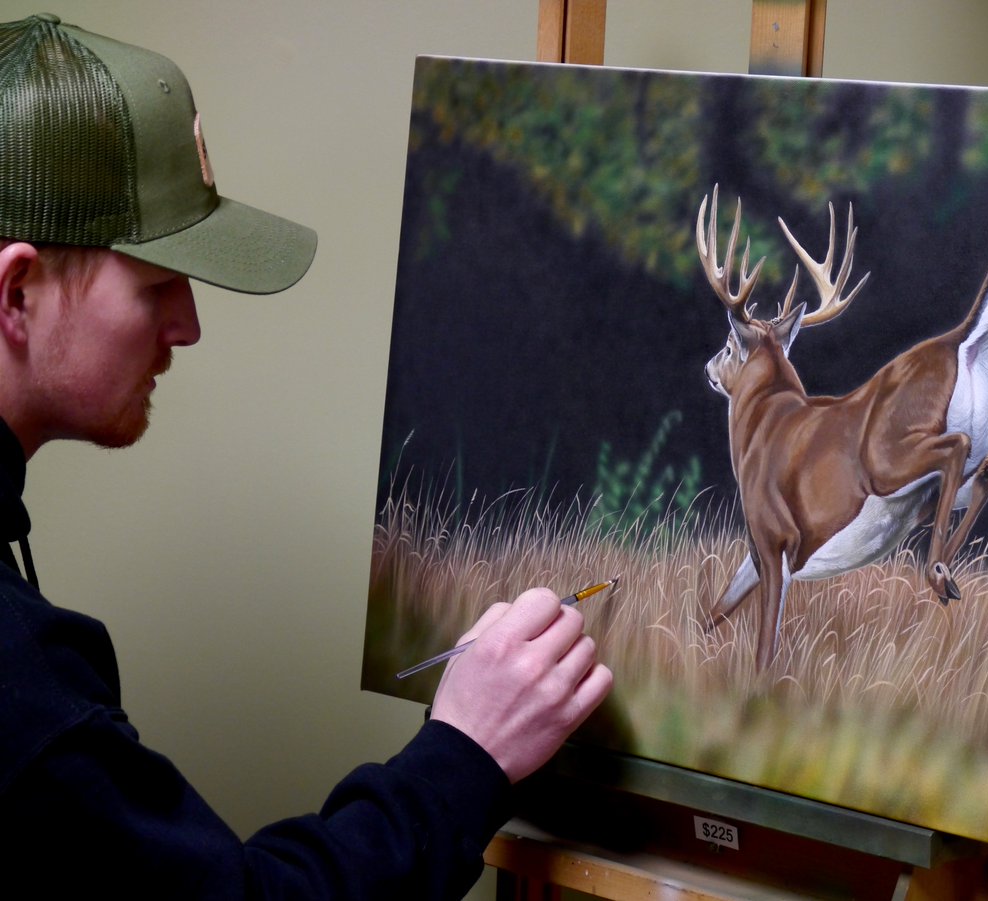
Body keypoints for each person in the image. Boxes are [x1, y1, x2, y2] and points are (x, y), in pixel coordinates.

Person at [0, 13, 612, 898]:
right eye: (157, 285)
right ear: (17, 291)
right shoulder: (21, 677)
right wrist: (465, 753)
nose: (190, 326)